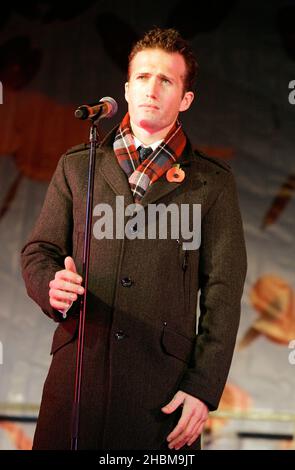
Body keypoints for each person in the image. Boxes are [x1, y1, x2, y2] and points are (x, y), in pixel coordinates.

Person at [21, 27, 247, 450]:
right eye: (143, 77)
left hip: (161, 391)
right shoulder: (78, 165)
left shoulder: (211, 183)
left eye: (166, 80)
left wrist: (203, 385)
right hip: (77, 381)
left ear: (185, 99)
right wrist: (51, 283)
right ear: (126, 89)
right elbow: (41, 251)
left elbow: (223, 292)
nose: (152, 88)